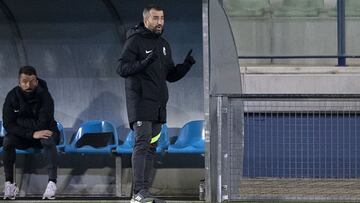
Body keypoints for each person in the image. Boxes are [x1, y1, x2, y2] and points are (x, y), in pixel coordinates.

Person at [117, 4, 196, 203]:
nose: (160, 22)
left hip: (159, 106)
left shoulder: (164, 44)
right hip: (141, 103)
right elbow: (121, 68)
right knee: (142, 145)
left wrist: (186, 66)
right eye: (155, 18)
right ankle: (138, 193)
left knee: (152, 148)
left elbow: (170, 75)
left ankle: (144, 193)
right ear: (146, 20)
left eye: (162, 18)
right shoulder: (134, 41)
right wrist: (144, 62)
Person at [2, 66, 59, 200]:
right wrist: (31, 133)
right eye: (24, 81)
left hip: (45, 132)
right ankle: (9, 183)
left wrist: (20, 123)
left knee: (47, 137)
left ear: (37, 81)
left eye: (32, 81)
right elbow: (8, 124)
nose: (28, 85)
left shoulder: (45, 96)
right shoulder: (12, 96)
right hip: (26, 136)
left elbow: (43, 123)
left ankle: (52, 183)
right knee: (8, 140)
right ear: (19, 82)